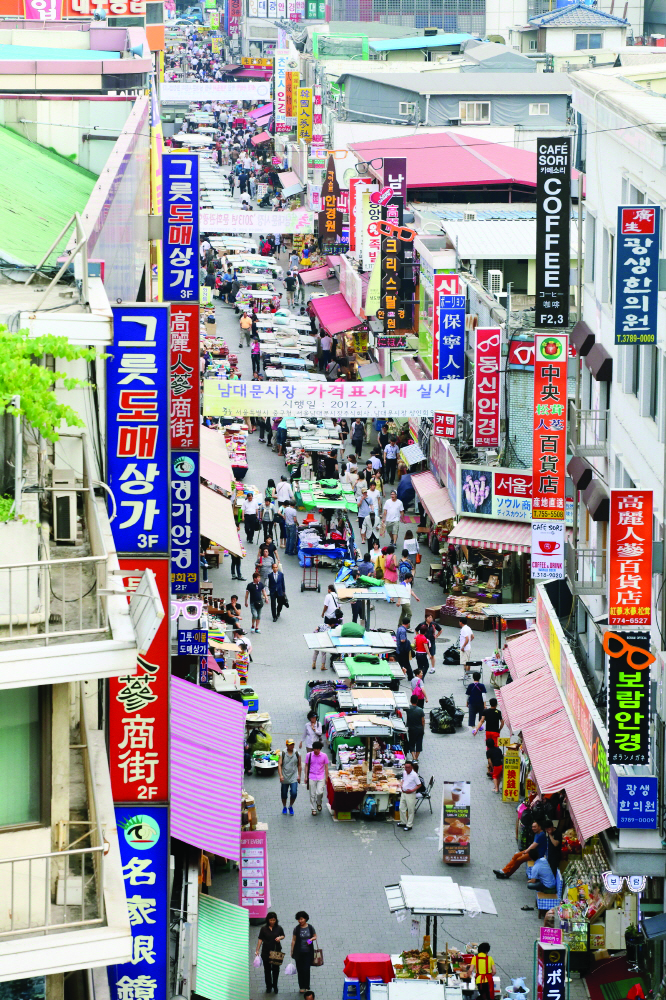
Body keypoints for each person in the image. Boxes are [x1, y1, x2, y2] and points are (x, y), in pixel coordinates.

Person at [255, 911, 286, 994]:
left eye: (274, 920)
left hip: (276, 952)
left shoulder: (279, 928)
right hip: (266, 952)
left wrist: (280, 938)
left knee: (276, 970)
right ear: (268, 920)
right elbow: (260, 939)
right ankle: (268, 986)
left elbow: (283, 935)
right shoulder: (263, 929)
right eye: (271, 920)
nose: (272, 922)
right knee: (267, 970)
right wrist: (257, 949)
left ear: (276, 920)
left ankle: (275, 986)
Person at [291, 911, 317, 993]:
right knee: (300, 970)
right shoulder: (296, 929)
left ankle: (307, 986)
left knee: (306, 969)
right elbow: (293, 940)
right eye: (298, 919)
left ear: (305, 919)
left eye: (301, 919)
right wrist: (292, 951)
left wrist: (311, 939)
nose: (300, 921)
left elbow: (315, 936)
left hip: (308, 952)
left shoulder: (310, 927)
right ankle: (301, 986)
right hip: (298, 952)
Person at [278, 739, 301, 816]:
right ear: (287, 745)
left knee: (294, 793)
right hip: (285, 777)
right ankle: (284, 806)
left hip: (293, 777)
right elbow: (279, 765)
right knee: (284, 794)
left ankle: (290, 806)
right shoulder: (282, 754)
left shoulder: (297, 753)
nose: (292, 746)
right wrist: (280, 775)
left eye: (293, 744)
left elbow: (299, 765)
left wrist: (299, 775)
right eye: (290, 744)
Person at [305, 741, 328, 815]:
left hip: (321, 776)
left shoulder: (324, 756)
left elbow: (326, 767)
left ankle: (319, 803)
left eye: (317, 749)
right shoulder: (309, 755)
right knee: (312, 794)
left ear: (320, 749)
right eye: (314, 749)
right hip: (311, 776)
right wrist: (306, 776)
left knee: (319, 792)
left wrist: (326, 777)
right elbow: (306, 765)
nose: (316, 750)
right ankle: (313, 809)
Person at [399, 759, 420, 831]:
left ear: (411, 767)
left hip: (410, 794)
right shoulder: (404, 772)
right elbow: (403, 779)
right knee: (401, 808)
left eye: (408, 767)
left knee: (410, 810)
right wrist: (401, 785)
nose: (407, 769)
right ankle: (403, 822)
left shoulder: (414, 775)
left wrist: (412, 790)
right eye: (405, 767)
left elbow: (419, 785)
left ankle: (409, 824)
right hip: (403, 793)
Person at [405, 694, 425, 761]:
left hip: (411, 729)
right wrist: (423, 729)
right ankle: (416, 758)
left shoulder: (408, 709)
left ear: (410, 701)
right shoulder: (420, 710)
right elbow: (423, 721)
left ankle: (413, 757)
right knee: (419, 744)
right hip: (419, 729)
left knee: (411, 744)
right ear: (417, 701)